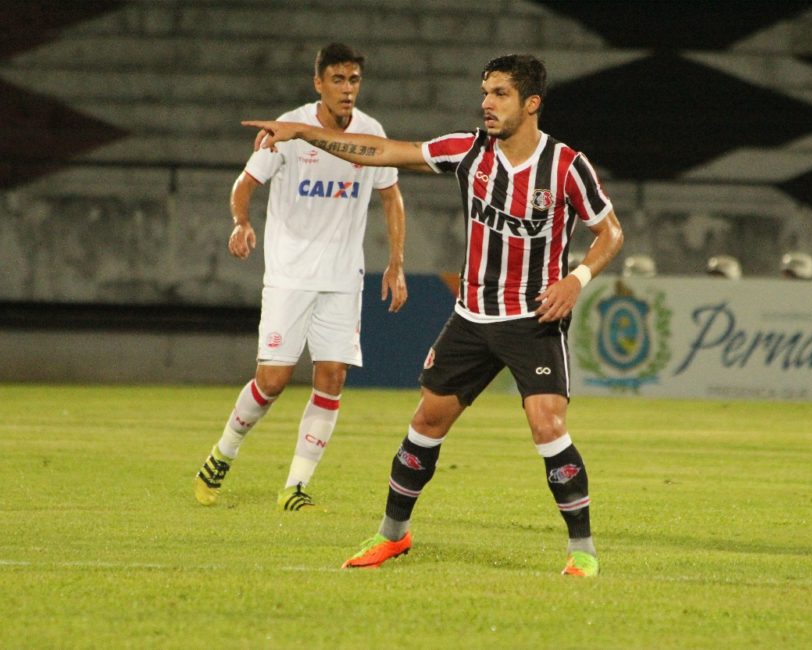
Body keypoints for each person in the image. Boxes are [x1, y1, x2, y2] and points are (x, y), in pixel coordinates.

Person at [243, 53, 624, 577]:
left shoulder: (565, 166)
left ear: (531, 103)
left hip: (532, 317)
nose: (486, 103)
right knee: (427, 421)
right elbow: (381, 152)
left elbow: (611, 232)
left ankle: (582, 550)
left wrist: (575, 280)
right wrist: (305, 134)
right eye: (485, 92)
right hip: (471, 317)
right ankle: (392, 535)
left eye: (500, 94)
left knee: (547, 422)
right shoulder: (467, 150)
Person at [194, 42, 408, 511]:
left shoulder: (372, 132)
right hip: (290, 275)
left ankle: (295, 486)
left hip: (342, 278)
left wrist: (395, 263)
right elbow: (245, 184)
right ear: (319, 83)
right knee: (272, 380)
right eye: (338, 79)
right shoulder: (289, 128)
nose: (347, 89)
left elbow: (391, 196)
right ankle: (222, 453)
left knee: (332, 377)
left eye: (353, 80)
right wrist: (241, 221)